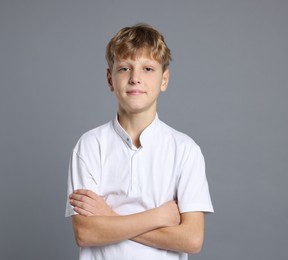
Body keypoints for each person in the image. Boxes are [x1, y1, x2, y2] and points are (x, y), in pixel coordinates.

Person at [65, 23, 214, 260]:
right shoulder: (90, 145)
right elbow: (85, 232)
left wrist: (111, 218)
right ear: (110, 79)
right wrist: (159, 217)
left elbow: (192, 240)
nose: (135, 78)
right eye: (124, 68)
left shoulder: (185, 150)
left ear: (164, 80)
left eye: (147, 69)